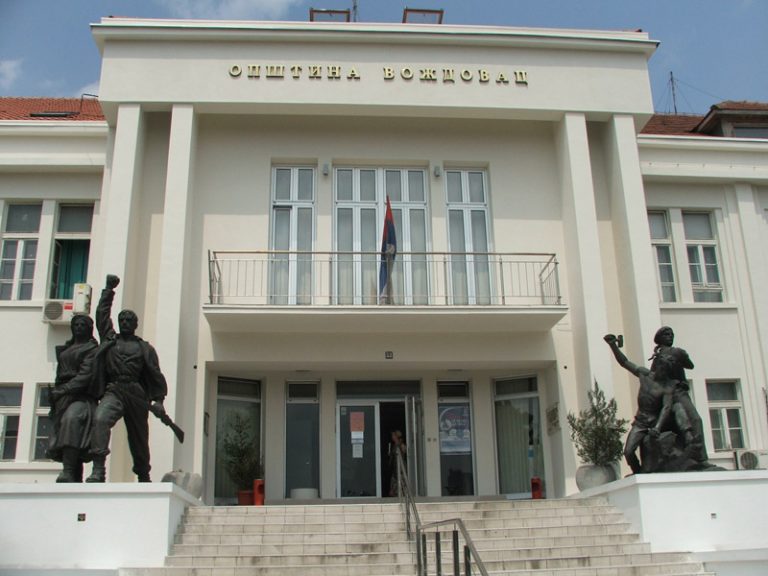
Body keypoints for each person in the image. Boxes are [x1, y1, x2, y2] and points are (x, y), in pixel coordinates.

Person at [86, 274, 168, 483]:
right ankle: (98, 469)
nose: (124, 322)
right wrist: (108, 290)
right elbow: (102, 315)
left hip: (136, 392)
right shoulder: (110, 340)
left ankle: (143, 473)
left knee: (139, 436)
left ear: (135, 324)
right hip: (114, 390)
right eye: (122, 320)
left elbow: (156, 375)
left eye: (129, 320)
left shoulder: (145, 348)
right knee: (100, 419)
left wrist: (159, 401)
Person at [604, 334, 694, 473]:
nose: (663, 372)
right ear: (657, 366)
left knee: (678, 408)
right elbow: (624, 362)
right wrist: (613, 346)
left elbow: (666, 407)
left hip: (654, 421)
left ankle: (688, 438)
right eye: (662, 368)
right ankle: (638, 472)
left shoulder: (667, 387)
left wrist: (657, 427)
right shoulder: (644, 374)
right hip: (640, 422)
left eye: (667, 369)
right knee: (628, 452)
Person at [47, 314, 99, 482]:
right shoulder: (66, 349)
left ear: (89, 329)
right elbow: (59, 375)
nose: (79, 327)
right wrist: (56, 395)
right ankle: (72, 474)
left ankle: (68, 470)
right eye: (76, 324)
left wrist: (65, 390)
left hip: (81, 396)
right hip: (62, 397)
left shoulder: (92, 350)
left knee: (72, 419)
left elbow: (85, 376)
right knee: (61, 427)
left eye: (83, 325)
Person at [649, 326, 708, 463]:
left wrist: (680, 357)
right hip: (670, 393)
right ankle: (698, 456)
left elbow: (690, 365)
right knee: (694, 420)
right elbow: (654, 377)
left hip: (678, 391)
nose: (670, 336)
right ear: (660, 339)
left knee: (694, 420)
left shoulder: (676, 352)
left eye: (671, 334)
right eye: (666, 334)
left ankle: (699, 456)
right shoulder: (659, 357)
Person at [388, 430, 407, 497]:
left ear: (396, 436)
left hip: (400, 469)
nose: (392, 437)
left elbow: (404, 453)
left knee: (400, 487)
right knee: (393, 490)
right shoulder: (394, 445)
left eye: (393, 435)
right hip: (395, 470)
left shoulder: (401, 445)